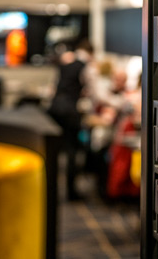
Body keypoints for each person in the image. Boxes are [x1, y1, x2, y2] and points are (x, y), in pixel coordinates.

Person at [47, 39, 94, 200]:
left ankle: (51, 189)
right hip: (69, 111)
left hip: (55, 108)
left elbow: (55, 86)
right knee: (73, 151)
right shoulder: (85, 66)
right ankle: (71, 192)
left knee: (58, 150)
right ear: (91, 53)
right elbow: (91, 90)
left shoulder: (66, 61)